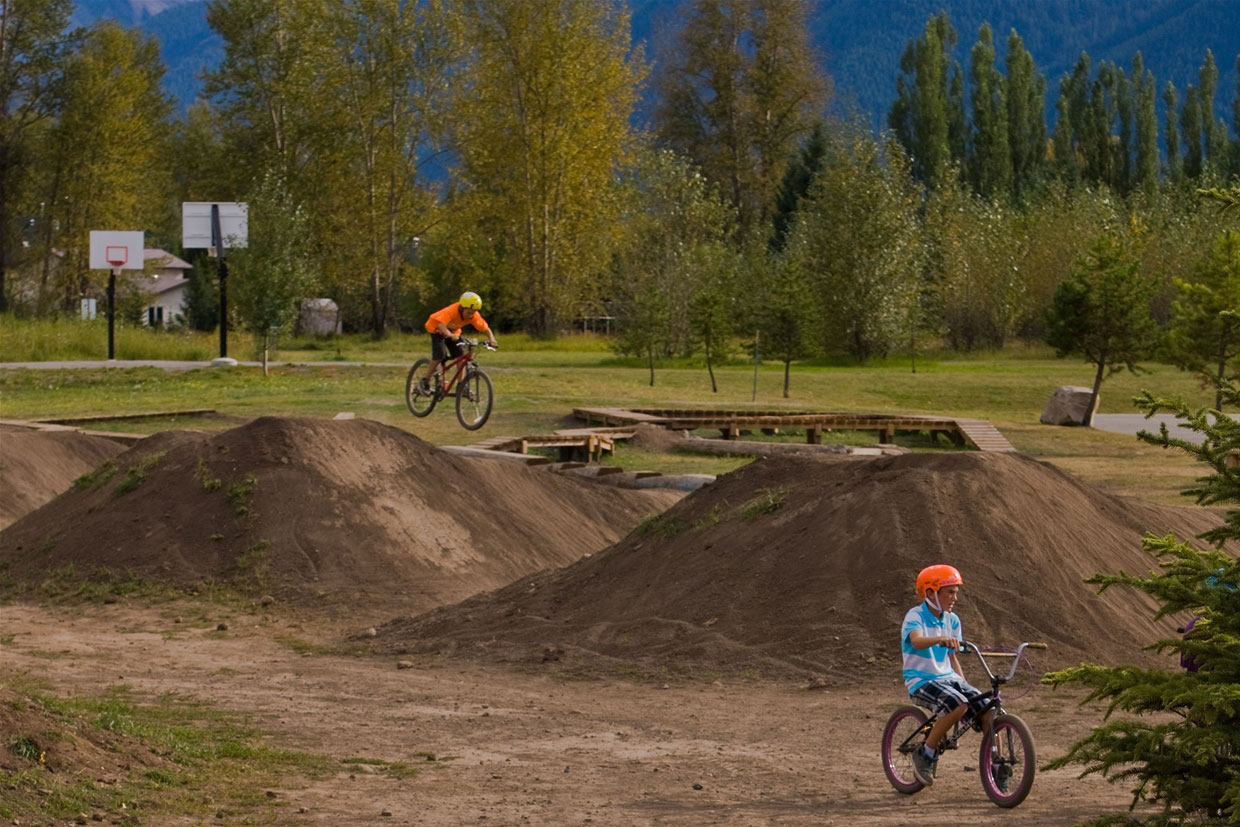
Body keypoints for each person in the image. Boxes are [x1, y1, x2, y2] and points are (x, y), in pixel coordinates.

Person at [901, 564, 993, 787]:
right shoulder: (915, 615)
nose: (955, 598)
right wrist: (940, 639)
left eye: (956, 592)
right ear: (930, 592)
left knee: (987, 707)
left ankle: (998, 763)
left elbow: (952, 658)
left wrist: (963, 683)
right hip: (921, 679)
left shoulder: (953, 620)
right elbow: (916, 641)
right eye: (949, 592)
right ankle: (925, 753)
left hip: (947, 678)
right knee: (958, 704)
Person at [421, 291, 498, 393]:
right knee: (439, 356)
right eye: (469, 313)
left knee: (460, 355)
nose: (471, 316)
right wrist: (449, 335)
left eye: (473, 312)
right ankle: (425, 380)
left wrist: (492, 339)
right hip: (436, 329)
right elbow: (440, 325)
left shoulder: (473, 315)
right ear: (461, 308)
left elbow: (485, 329)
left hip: (453, 332)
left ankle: (461, 385)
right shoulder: (451, 311)